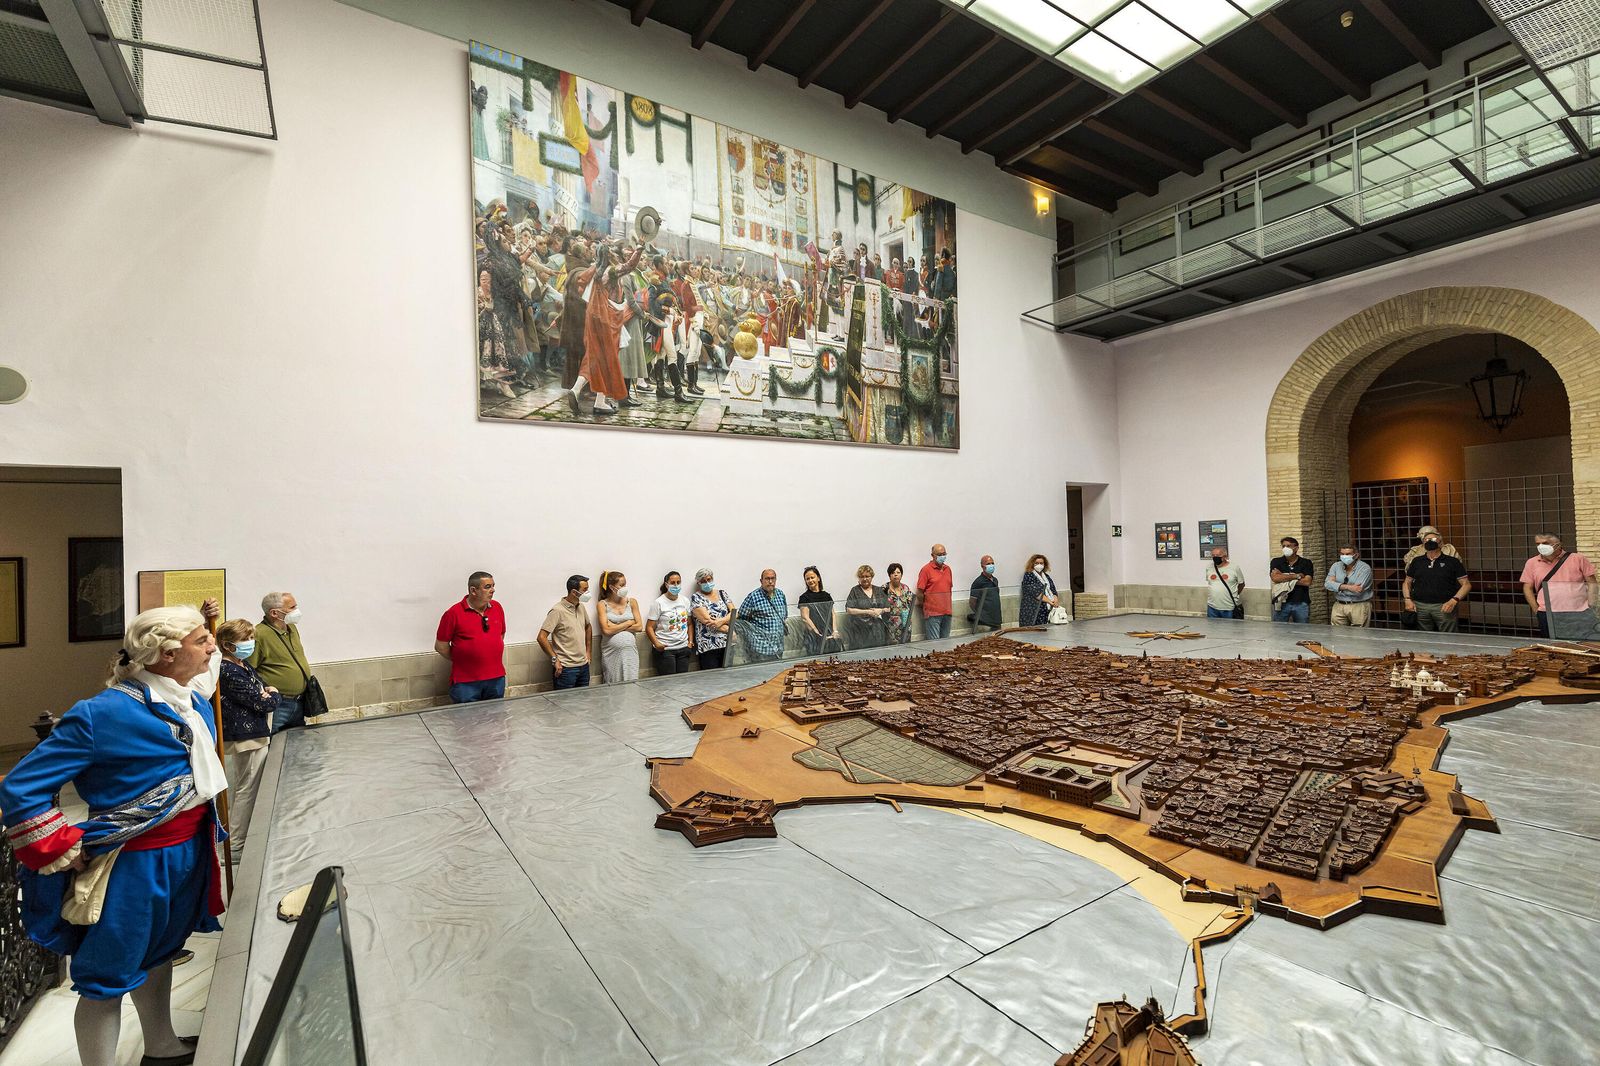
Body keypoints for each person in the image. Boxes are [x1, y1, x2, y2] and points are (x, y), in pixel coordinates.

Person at [0, 601, 225, 1066]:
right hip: (131, 865)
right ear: (166, 654)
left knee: (160, 953)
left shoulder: (193, 701)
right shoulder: (99, 714)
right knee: (106, 976)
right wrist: (60, 846)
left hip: (188, 852)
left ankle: (161, 1046)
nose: (212, 646)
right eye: (202, 639)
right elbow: (21, 787)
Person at [216, 618, 275, 862]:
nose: (250, 642)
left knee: (247, 788)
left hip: (255, 732)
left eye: (251, 638)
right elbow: (263, 700)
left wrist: (268, 693)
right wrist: (272, 696)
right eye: (245, 639)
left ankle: (238, 841)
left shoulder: (243, 665)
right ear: (227, 645)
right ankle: (234, 848)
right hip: (245, 736)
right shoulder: (228, 670)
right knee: (246, 790)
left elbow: (264, 687)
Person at [433, 571, 507, 703]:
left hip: (496, 679)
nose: (493, 590)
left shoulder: (497, 607)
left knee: (496, 715)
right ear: (473, 590)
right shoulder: (453, 613)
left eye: (493, 586)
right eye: (487, 587)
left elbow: (500, 635)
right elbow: (441, 646)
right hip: (466, 683)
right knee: (466, 716)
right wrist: (463, 658)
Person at [249, 591, 311, 732]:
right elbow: (249, 670)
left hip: (299, 701)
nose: (296, 611)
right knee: (274, 741)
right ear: (274, 613)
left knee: (298, 740)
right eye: (292, 607)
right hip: (279, 704)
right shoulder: (259, 634)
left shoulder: (291, 627)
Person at [1519, 532, 1598, 639]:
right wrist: (1536, 609)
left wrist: (1591, 604)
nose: (1541, 546)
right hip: (1547, 613)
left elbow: (1592, 582)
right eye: (1538, 544)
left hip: (1578, 612)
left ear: (1558, 544)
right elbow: (1527, 587)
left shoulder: (1577, 559)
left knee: (1580, 643)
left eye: (1545, 543)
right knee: (1552, 644)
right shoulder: (1532, 563)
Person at [1403, 534, 1471, 632]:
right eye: (1426, 539)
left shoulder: (1452, 562)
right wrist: (1407, 599)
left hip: (1444, 606)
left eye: (1433, 539)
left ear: (1440, 542)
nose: (1429, 541)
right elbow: (1407, 582)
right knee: (1422, 637)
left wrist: (1454, 600)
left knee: (1448, 636)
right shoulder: (1417, 561)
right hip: (1419, 606)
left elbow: (1466, 584)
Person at [539, 576, 594, 689]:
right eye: (585, 590)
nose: (588, 593)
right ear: (574, 592)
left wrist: (588, 652)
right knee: (564, 700)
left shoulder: (581, 607)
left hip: (584, 667)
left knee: (584, 699)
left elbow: (588, 626)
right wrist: (555, 660)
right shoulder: (557, 611)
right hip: (566, 669)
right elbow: (541, 637)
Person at [596, 571, 643, 683]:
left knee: (631, 683)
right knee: (613, 683)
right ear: (612, 587)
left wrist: (615, 626)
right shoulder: (602, 604)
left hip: (630, 652)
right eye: (621, 585)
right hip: (611, 652)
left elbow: (639, 627)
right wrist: (628, 623)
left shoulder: (632, 602)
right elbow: (606, 630)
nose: (624, 588)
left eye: (625, 584)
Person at [736, 569, 788, 662]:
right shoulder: (753, 597)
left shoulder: (781, 595)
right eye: (767, 579)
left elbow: (784, 615)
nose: (770, 581)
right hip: (760, 648)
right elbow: (741, 619)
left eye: (773, 578)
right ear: (761, 581)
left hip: (778, 647)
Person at [647, 571, 693, 675]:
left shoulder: (685, 601)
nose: (676, 585)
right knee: (669, 682)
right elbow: (649, 627)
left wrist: (690, 642)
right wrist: (657, 644)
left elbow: (689, 623)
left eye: (678, 582)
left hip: (683, 648)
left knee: (683, 681)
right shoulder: (658, 603)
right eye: (672, 583)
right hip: (666, 650)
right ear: (666, 584)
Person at [690, 568, 736, 670]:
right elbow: (707, 620)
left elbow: (734, 613)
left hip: (727, 643)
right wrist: (728, 629)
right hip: (709, 646)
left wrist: (720, 621)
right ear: (698, 583)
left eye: (709, 579)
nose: (707, 583)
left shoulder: (722, 594)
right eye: (703, 581)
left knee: (729, 676)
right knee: (711, 677)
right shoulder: (696, 598)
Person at [1324, 544, 1374, 627]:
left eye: (1348, 554)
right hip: (1339, 604)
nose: (1344, 556)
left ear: (1356, 555)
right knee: (1337, 633)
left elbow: (1358, 590)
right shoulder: (1336, 566)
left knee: (1358, 633)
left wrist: (1336, 586)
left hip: (1358, 605)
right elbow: (1327, 584)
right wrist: (1349, 587)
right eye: (1342, 554)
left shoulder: (1365, 568)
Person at [1270, 537, 1315, 624]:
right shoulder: (1276, 562)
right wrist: (1297, 576)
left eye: (1288, 546)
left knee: (1302, 629)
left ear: (1296, 548)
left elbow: (1307, 582)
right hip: (1281, 602)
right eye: (1283, 546)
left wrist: (1283, 576)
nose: (1285, 548)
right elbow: (1275, 578)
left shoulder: (1306, 562)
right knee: (1279, 629)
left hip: (1301, 602)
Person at [844, 565, 889, 649]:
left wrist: (881, 610)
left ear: (872, 577)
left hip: (877, 631)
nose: (864, 579)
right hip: (859, 631)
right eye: (862, 577)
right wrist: (867, 612)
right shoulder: (855, 591)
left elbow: (889, 608)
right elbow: (849, 609)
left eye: (867, 576)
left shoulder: (879, 590)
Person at [916, 544, 954, 639]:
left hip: (947, 612)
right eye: (939, 554)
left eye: (944, 554)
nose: (942, 556)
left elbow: (949, 588)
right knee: (935, 645)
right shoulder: (926, 570)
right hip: (933, 614)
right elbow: (919, 592)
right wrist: (926, 606)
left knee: (946, 643)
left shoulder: (948, 569)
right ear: (932, 555)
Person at [798, 566, 837, 656]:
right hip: (814, 637)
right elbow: (805, 618)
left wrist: (835, 631)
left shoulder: (827, 595)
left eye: (812, 577)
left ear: (818, 578)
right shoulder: (804, 597)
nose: (810, 580)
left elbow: (833, 614)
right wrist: (817, 633)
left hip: (830, 635)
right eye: (807, 579)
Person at [1019, 553, 1061, 626]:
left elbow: (1053, 590)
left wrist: (1055, 601)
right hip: (1033, 610)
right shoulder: (1029, 575)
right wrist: (1051, 602)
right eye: (1036, 563)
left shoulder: (1046, 576)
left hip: (1046, 610)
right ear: (1032, 564)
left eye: (1041, 563)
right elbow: (1037, 593)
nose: (1039, 565)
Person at [1205, 547, 1246, 619]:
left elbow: (1241, 584)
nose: (1215, 558)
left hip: (1229, 607)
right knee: (1211, 626)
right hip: (1212, 607)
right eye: (1213, 555)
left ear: (1225, 557)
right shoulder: (1209, 567)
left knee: (1229, 626)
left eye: (1217, 555)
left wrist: (1235, 594)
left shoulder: (1234, 567)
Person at [968, 555, 1002, 631]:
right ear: (982, 566)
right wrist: (982, 615)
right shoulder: (978, 582)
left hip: (996, 621)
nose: (991, 565)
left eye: (992, 563)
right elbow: (972, 602)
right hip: (985, 623)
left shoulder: (995, 580)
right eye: (988, 564)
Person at [883, 562, 914, 644]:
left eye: (898, 572)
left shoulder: (905, 588)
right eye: (893, 573)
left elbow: (910, 603)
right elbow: (880, 606)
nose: (896, 575)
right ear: (889, 575)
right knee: (892, 648)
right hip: (890, 624)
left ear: (901, 575)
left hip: (905, 622)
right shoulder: (884, 588)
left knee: (907, 646)